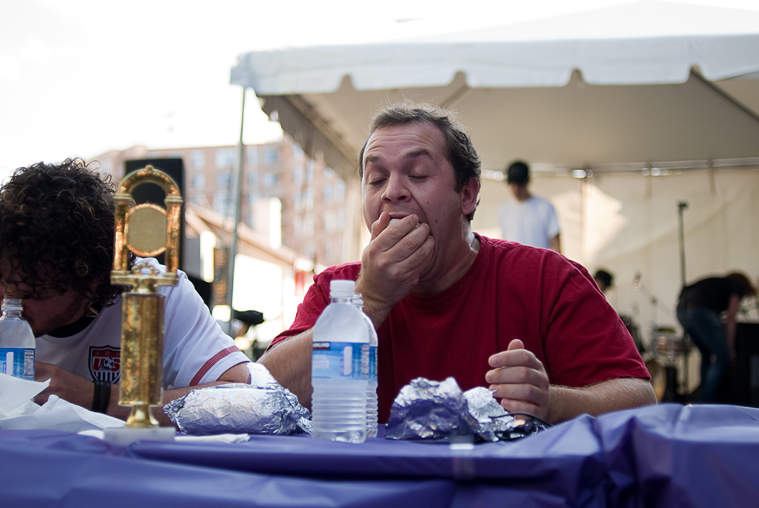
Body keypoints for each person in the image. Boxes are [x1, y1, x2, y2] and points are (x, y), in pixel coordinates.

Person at [259, 101, 656, 426]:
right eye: (376, 179)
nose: (393, 192)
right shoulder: (340, 290)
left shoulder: (547, 279)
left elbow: (641, 401)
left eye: (417, 174)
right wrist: (371, 301)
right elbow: (264, 395)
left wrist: (551, 402)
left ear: (467, 194)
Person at [0, 159, 250, 424]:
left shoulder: (158, 293)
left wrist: (98, 398)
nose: (7, 303)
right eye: (1, 281)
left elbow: (242, 399)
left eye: (33, 293)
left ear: (91, 279)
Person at [676, 272, 757, 403]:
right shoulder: (737, 286)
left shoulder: (716, 284)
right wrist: (730, 348)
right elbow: (731, 318)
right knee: (723, 356)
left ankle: (702, 394)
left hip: (681, 311)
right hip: (700, 311)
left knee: (706, 353)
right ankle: (706, 400)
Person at [497, 161, 562, 252]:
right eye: (513, 185)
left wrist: (559, 264)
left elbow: (555, 241)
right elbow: (504, 241)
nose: (516, 190)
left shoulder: (545, 207)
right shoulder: (504, 209)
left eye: (519, 185)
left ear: (527, 181)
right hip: (513, 263)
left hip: (539, 263)